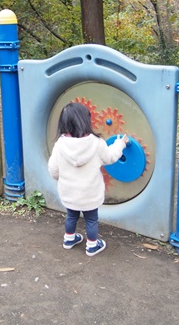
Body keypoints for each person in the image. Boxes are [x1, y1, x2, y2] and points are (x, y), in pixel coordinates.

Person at [48, 102, 128, 256]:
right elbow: (110, 157)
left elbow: (53, 169)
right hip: (90, 192)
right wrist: (120, 144)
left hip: (69, 191)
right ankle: (92, 245)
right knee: (91, 219)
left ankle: (69, 239)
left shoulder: (60, 144)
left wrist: (61, 179)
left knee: (71, 215)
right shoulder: (96, 143)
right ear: (86, 120)